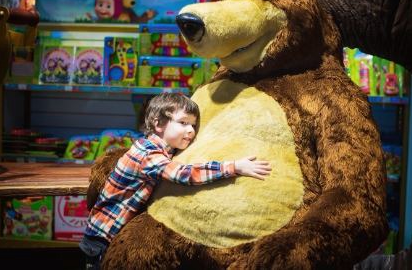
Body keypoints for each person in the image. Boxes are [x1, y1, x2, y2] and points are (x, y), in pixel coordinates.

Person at [79, 93, 272, 269]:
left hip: (107, 233)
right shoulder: (148, 154)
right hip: (103, 237)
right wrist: (234, 167)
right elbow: (183, 174)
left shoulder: (159, 148)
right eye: (183, 123)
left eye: (194, 125)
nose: (191, 131)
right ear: (158, 124)